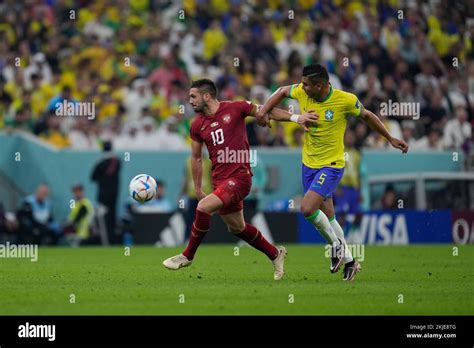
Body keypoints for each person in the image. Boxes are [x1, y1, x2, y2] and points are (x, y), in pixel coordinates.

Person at [257, 64, 409, 281]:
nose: (303, 87)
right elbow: (281, 92)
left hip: (332, 165)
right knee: (329, 216)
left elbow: (367, 115)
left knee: (307, 208)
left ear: (320, 85)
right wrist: (272, 113)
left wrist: (390, 138)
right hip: (308, 164)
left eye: (307, 85)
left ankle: (336, 247)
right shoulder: (302, 91)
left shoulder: (345, 100)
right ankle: (350, 261)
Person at [162, 79, 311, 280]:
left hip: (240, 178)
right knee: (237, 228)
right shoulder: (196, 125)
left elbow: (265, 111)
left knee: (204, 207)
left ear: (207, 96)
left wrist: (296, 118)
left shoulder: (236, 107)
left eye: (193, 96)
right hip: (219, 181)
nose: (190, 101)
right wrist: (198, 188)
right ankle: (275, 254)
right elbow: (196, 158)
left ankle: (187, 256)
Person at [91, 140, 121, 244]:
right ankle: (111, 241)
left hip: (103, 197)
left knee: (104, 220)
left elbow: (93, 177)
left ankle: (106, 242)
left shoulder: (100, 163)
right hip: (113, 196)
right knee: (111, 219)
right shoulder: (117, 161)